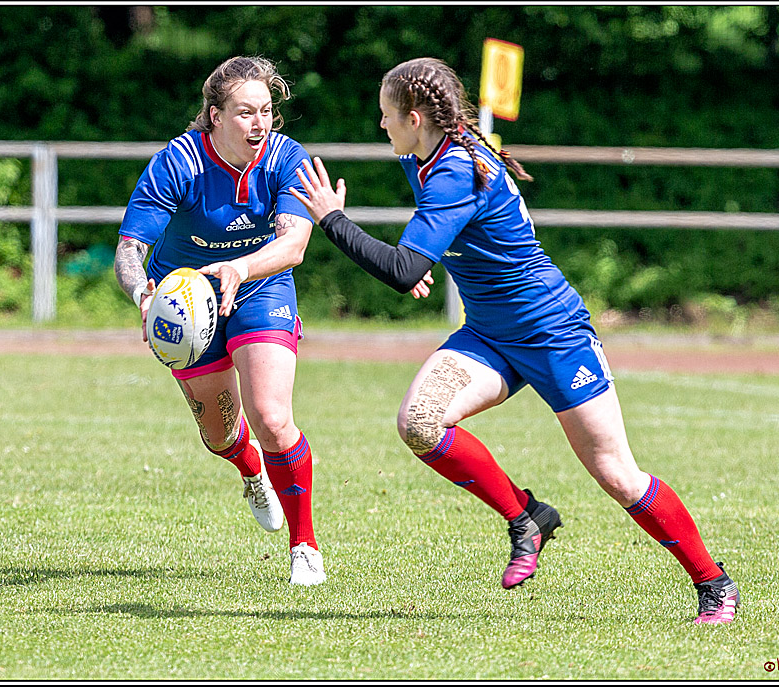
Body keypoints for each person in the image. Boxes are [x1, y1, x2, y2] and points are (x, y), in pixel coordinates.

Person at [289, 57, 739, 622]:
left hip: (554, 334)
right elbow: (448, 244)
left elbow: (403, 270)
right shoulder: (426, 156)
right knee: (420, 423)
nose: (380, 126)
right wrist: (432, 258)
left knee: (618, 475)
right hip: (489, 335)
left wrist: (334, 219)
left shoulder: (453, 168)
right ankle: (525, 517)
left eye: (385, 115)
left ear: (412, 116)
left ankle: (714, 584)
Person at [114, 55, 326, 586]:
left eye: (266, 111)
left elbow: (293, 245)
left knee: (272, 417)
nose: (259, 124)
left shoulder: (285, 157)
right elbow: (129, 251)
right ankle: (250, 470)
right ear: (214, 115)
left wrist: (238, 267)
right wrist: (144, 294)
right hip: (188, 302)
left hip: (261, 286)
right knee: (219, 433)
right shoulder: (178, 162)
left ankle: (305, 546)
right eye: (244, 112)